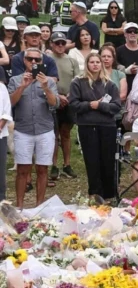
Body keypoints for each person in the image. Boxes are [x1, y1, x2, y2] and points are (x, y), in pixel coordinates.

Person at [8, 31, 59, 208]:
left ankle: (40, 206)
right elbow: (10, 104)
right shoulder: (15, 80)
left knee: (43, 169)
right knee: (22, 169)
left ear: (42, 62)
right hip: (23, 130)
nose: (34, 63)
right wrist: (22, 87)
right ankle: (20, 205)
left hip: (45, 129)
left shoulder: (49, 81)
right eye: (30, 59)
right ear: (24, 61)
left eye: (37, 60)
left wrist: (46, 88)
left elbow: (54, 105)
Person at [69, 51, 121, 204]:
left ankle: (110, 195)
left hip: (107, 126)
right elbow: (73, 104)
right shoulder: (78, 82)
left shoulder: (110, 84)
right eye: (92, 62)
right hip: (87, 126)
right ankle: (95, 195)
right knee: (92, 161)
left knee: (107, 161)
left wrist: (101, 105)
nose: (95, 65)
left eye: (97, 62)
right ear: (87, 64)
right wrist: (90, 105)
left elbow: (116, 106)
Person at [45, 31, 78, 180]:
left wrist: (69, 96)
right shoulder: (46, 59)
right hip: (52, 98)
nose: (60, 45)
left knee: (66, 132)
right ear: (51, 43)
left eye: (62, 43)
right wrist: (57, 96)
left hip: (69, 99)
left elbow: (77, 80)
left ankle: (66, 164)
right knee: (54, 134)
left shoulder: (72, 61)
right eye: (57, 43)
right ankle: (54, 165)